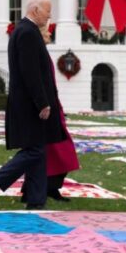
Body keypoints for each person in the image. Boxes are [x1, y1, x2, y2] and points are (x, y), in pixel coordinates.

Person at [0, 0, 67, 210]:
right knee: (35, 150)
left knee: (38, 149)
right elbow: (31, 73)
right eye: (47, 10)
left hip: (27, 103)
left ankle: (36, 200)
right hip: (29, 105)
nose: (50, 15)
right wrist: (42, 102)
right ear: (35, 10)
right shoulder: (27, 33)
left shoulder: (26, 31)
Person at [36, 23, 80, 202]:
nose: (49, 33)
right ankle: (48, 187)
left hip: (53, 108)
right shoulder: (40, 53)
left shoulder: (44, 53)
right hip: (47, 110)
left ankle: (51, 187)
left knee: (61, 151)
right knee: (58, 151)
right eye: (46, 30)